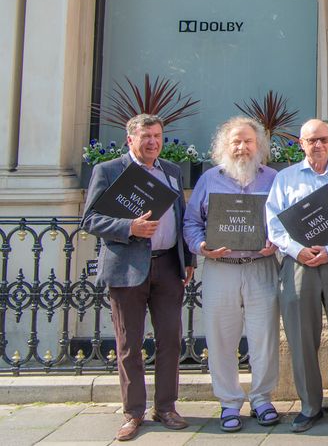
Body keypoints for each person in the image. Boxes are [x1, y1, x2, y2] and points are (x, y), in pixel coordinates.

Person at [81, 114, 195, 442]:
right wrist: (129, 228)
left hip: (168, 269)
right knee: (129, 343)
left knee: (171, 340)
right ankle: (133, 412)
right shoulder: (109, 170)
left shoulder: (171, 171)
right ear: (130, 139)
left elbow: (180, 216)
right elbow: (90, 219)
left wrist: (188, 260)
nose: (153, 142)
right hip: (127, 269)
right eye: (146, 136)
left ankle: (167, 407)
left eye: (157, 136)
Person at [265, 119, 328, 432]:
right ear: (301, 143)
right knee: (301, 337)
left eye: (324, 139)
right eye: (312, 140)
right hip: (298, 265)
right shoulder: (285, 178)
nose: (319, 145)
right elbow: (274, 225)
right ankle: (310, 406)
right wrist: (298, 251)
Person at [183, 117, 280, 432]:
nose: (242, 147)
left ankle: (262, 399)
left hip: (261, 266)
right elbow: (190, 222)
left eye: (248, 141)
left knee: (264, 336)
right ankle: (228, 403)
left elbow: (285, 218)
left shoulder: (273, 178)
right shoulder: (209, 179)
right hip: (221, 268)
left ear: (259, 146)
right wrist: (201, 246)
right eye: (236, 141)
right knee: (221, 338)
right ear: (224, 146)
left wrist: (274, 241)